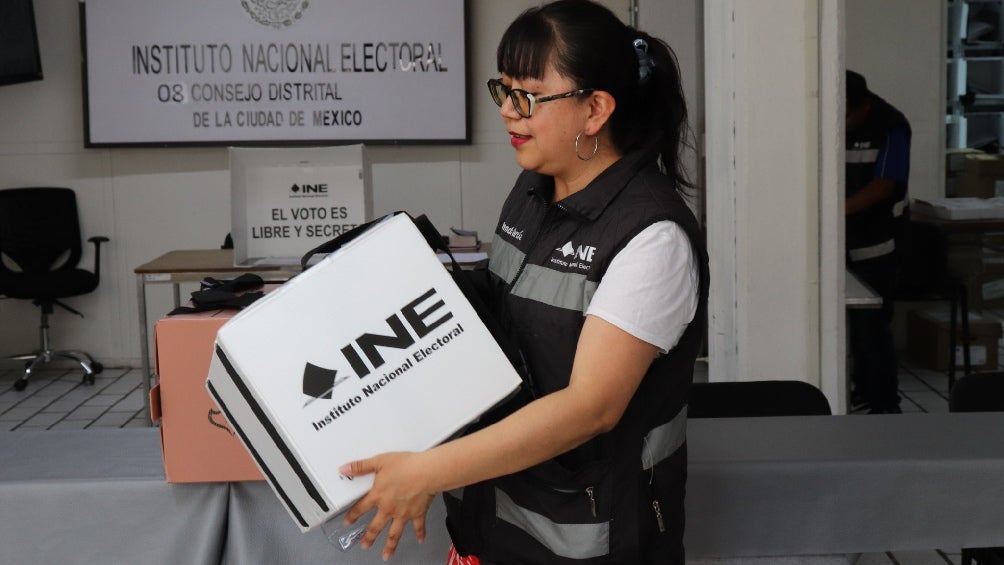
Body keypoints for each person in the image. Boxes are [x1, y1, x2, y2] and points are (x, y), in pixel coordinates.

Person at [338, 2, 709, 563]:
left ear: (595, 109)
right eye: (504, 90)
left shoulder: (652, 237)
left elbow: (590, 408)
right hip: (493, 524)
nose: (508, 113)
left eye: (529, 97)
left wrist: (427, 471)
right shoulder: (534, 191)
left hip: (591, 541)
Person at [845, 70, 911, 414]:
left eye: (848, 115)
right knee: (848, 331)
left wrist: (833, 212)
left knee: (870, 329)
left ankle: (884, 404)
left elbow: (884, 185)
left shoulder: (890, 125)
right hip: (838, 244)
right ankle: (861, 393)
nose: (843, 122)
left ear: (865, 106)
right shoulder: (825, 117)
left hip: (876, 246)